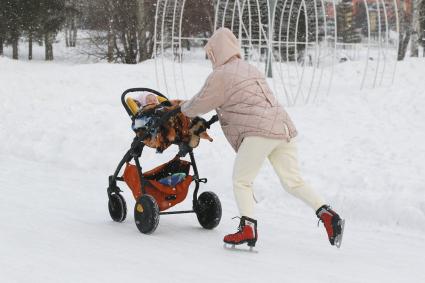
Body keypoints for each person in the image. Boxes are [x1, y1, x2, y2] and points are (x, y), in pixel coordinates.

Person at [180, 28, 344, 248]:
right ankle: (328, 214)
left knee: (241, 180)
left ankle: (248, 229)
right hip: (283, 128)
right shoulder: (250, 68)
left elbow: (198, 104)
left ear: (215, 52)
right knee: (293, 181)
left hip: (259, 132)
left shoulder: (221, 74)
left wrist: (181, 108)